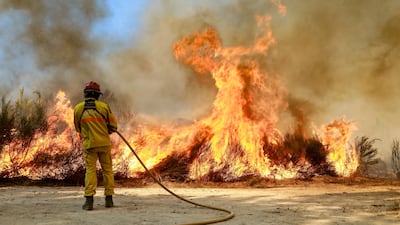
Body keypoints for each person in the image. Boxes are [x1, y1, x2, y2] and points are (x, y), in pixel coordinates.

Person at [73, 81, 118, 210]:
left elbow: (78, 128)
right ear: (97, 95)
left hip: (89, 145)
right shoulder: (104, 107)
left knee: (90, 171)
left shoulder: (78, 108)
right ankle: (109, 199)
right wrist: (106, 129)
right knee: (107, 171)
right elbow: (113, 126)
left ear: (85, 94)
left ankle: (89, 201)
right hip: (104, 144)